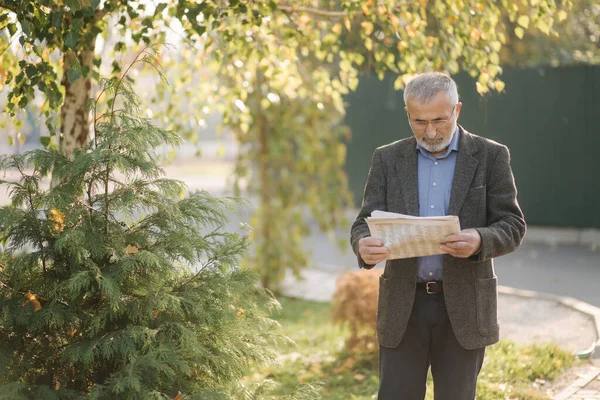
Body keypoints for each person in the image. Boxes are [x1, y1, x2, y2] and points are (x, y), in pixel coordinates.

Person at [350, 72, 526, 400]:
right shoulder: (387, 159)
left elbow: (513, 225)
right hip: (404, 305)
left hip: (464, 307)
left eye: (439, 120)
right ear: (407, 114)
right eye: (419, 122)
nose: (430, 132)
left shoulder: (491, 156)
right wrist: (363, 244)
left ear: (457, 110)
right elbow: (363, 221)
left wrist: (479, 240)